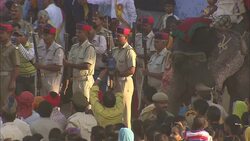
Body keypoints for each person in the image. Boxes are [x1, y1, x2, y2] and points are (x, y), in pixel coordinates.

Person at [64, 23, 96, 102]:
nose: (77, 34)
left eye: (79, 32)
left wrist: (69, 64)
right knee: (76, 104)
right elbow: (69, 63)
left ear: (86, 33)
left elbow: (86, 66)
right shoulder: (74, 47)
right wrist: (67, 79)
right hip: (75, 80)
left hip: (85, 81)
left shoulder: (89, 48)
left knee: (85, 105)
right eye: (76, 32)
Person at [112, 26, 136, 128]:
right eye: (116, 35)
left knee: (125, 112)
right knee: (116, 111)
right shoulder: (115, 50)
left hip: (125, 82)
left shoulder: (129, 51)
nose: (117, 38)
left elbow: (132, 70)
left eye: (120, 36)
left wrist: (118, 74)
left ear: (126, 37)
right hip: (116, 81)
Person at [36, 24, 64, 96]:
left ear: (53, 36)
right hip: (42, 78)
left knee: (52, 102)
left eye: (47, 35)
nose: (44, 37)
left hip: (53, 79)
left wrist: (42, 66)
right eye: (44, 35)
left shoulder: (58, 49)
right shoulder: (40, 47)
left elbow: (57, 67)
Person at [135, 16, 155, 109]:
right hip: (137, 67)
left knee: (145, 90)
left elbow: (152, 54)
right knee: (138, 90)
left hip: (147, 67)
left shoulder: (154, 37)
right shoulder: (138, 36)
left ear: (151, 26)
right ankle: (138, 109)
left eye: (146, 25)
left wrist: (138, 55)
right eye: (143, 25)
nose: (143, 27)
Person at [12, 24, 36, 95]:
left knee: (32, 99)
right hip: (20, 78)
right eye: (17, 36)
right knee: (20, 98)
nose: (18, 38)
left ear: (26, 37)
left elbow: (29, 56)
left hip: (31, 77)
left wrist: (19, 45)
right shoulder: (14, 46)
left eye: (20, 36)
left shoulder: (32, 45)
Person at [0, 23, 20, 108]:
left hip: (7, 78)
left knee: (6, 102)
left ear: (9, 34)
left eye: (2, 33)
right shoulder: (1, 47)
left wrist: (12, 81)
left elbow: (16, 67)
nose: (0, 35)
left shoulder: (12, 48)